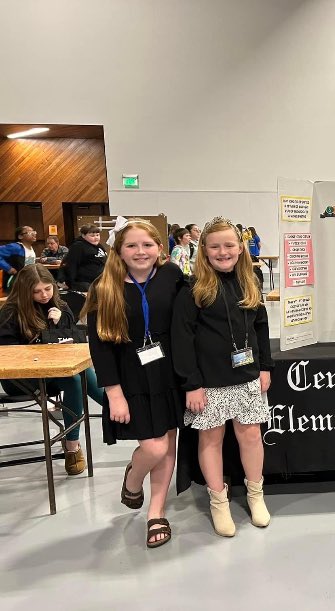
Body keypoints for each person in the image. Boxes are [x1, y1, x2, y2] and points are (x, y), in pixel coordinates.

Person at [82, 220, 187, 549]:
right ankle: (133, 477)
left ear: (160, 248)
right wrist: (113, 394)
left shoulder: (172, 277)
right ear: (119, 250)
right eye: (132, 246)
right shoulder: (106, 286)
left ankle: (156, 512)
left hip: (169, 371)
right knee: (154, 447)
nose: (140, 252)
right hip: (131, 376)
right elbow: (100, 346)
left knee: (167, 443)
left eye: (147, 245)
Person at [172, 217, 274, 537]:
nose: (223, 251)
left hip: (247, 376)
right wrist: (192, 383)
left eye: (229, 245)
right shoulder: (192, 289)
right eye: (214, 246)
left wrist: (266, 367)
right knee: (211, 440)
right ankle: (219, 501)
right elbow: (182, 339)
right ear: (203, 250)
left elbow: (261, 326)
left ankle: (256, 495)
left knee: (251, 436)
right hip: (209, 383)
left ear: (240, 248)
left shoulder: (251, 280)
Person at [0, 264, 104, 475]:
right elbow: (7, 353)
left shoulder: (60, 306)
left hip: (56, 372)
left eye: (48, 289)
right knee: (76, 378)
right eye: (36, 291)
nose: (44, 295)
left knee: (77, 375)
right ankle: (125, 411)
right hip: (22, 378)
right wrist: (39, 341)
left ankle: (73, 442)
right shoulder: (11, 313)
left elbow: (75, 340)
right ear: (24, 291)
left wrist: (59, 323)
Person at [63, 224, 106, 291]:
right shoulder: (78, 246)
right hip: (86, 283)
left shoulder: (99, 246)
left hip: (102, 281)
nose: (96, 237)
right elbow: (71, 265)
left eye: (97, 235)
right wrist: (71, 283)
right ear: (83, 235)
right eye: (92, 236)